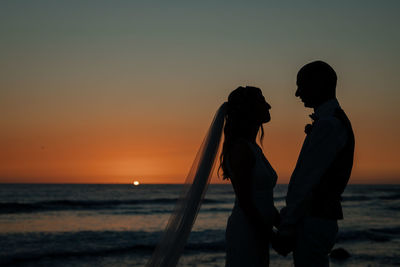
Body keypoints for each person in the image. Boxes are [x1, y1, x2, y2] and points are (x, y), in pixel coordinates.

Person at [273, 61, 355, 267]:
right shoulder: (331, 120)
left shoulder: (328, 124)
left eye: (301, 85)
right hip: (318, 217)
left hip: (313, 219)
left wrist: (288, 226)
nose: (297, 93)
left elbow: (307, 179)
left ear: (319, 85)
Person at [220, 86, 279, 267]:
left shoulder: (252, 147)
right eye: (262, 102)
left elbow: (264, 201)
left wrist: (283, 226)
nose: (269, 106)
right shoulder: (241, 149)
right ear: (249, 110)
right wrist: (273, 237)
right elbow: (246, 202)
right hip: (247, 229)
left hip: (259, 228)